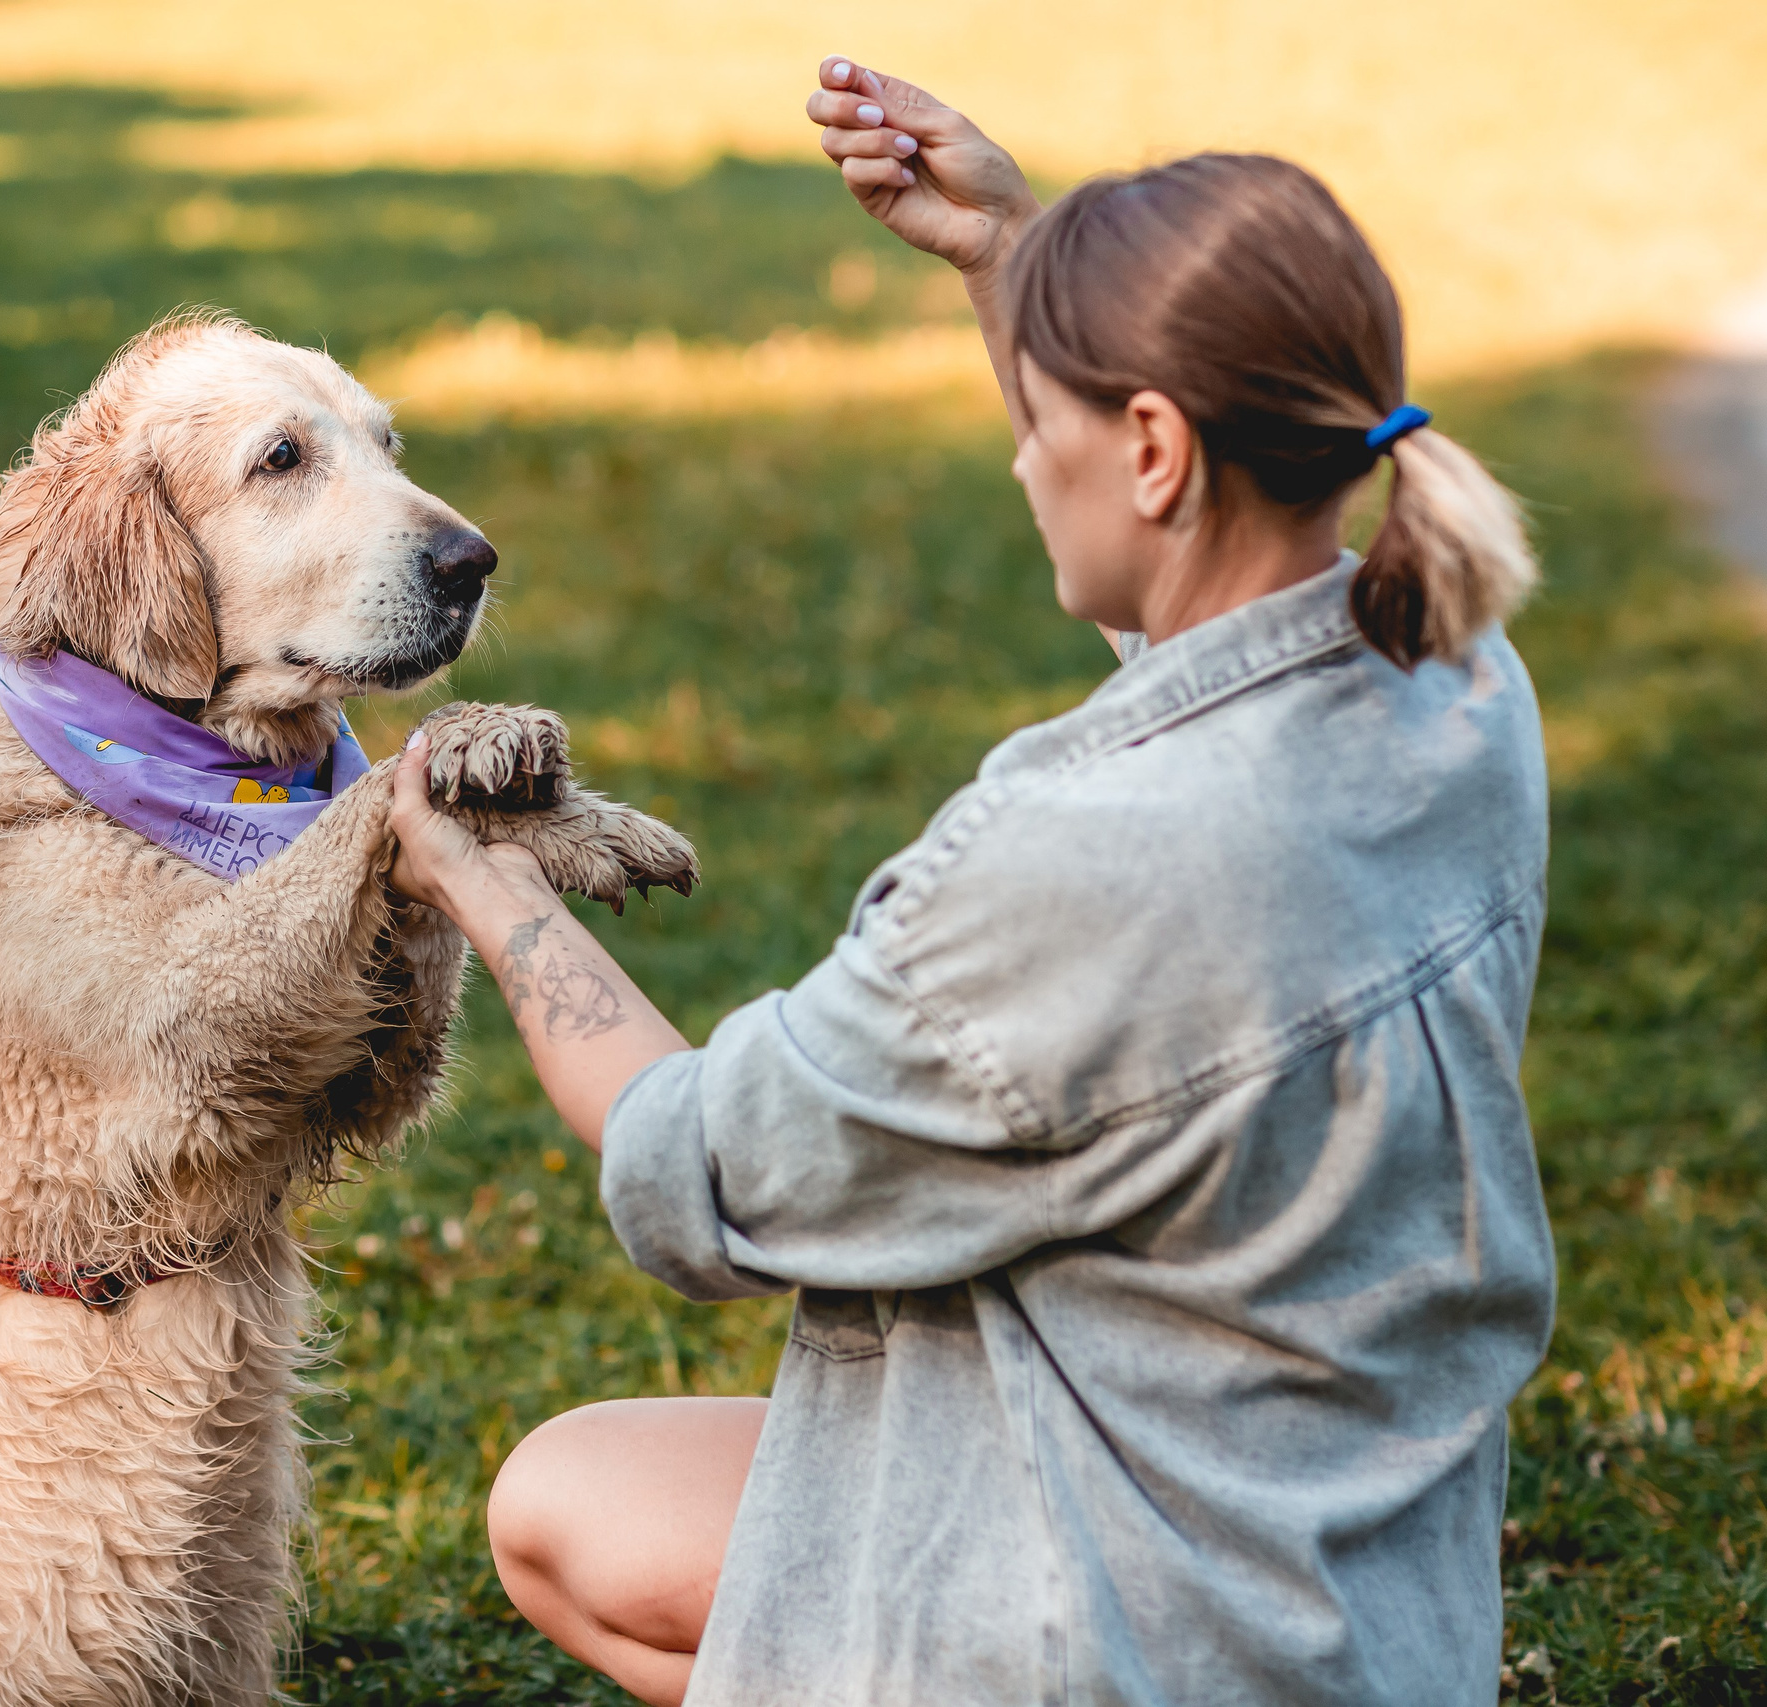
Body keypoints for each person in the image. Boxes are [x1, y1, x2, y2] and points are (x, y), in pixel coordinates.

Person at [382, 54, 1555, 1707]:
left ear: (1152, 446)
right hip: (1361, 1598)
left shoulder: (1072, 866)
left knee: (562, 1506)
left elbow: (692, 1155)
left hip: (1141, 1640)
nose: (1020, 464)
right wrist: (1012, 255)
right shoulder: (1451, 685)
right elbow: (1197, 637)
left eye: (1050, 417)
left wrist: (486, 885)